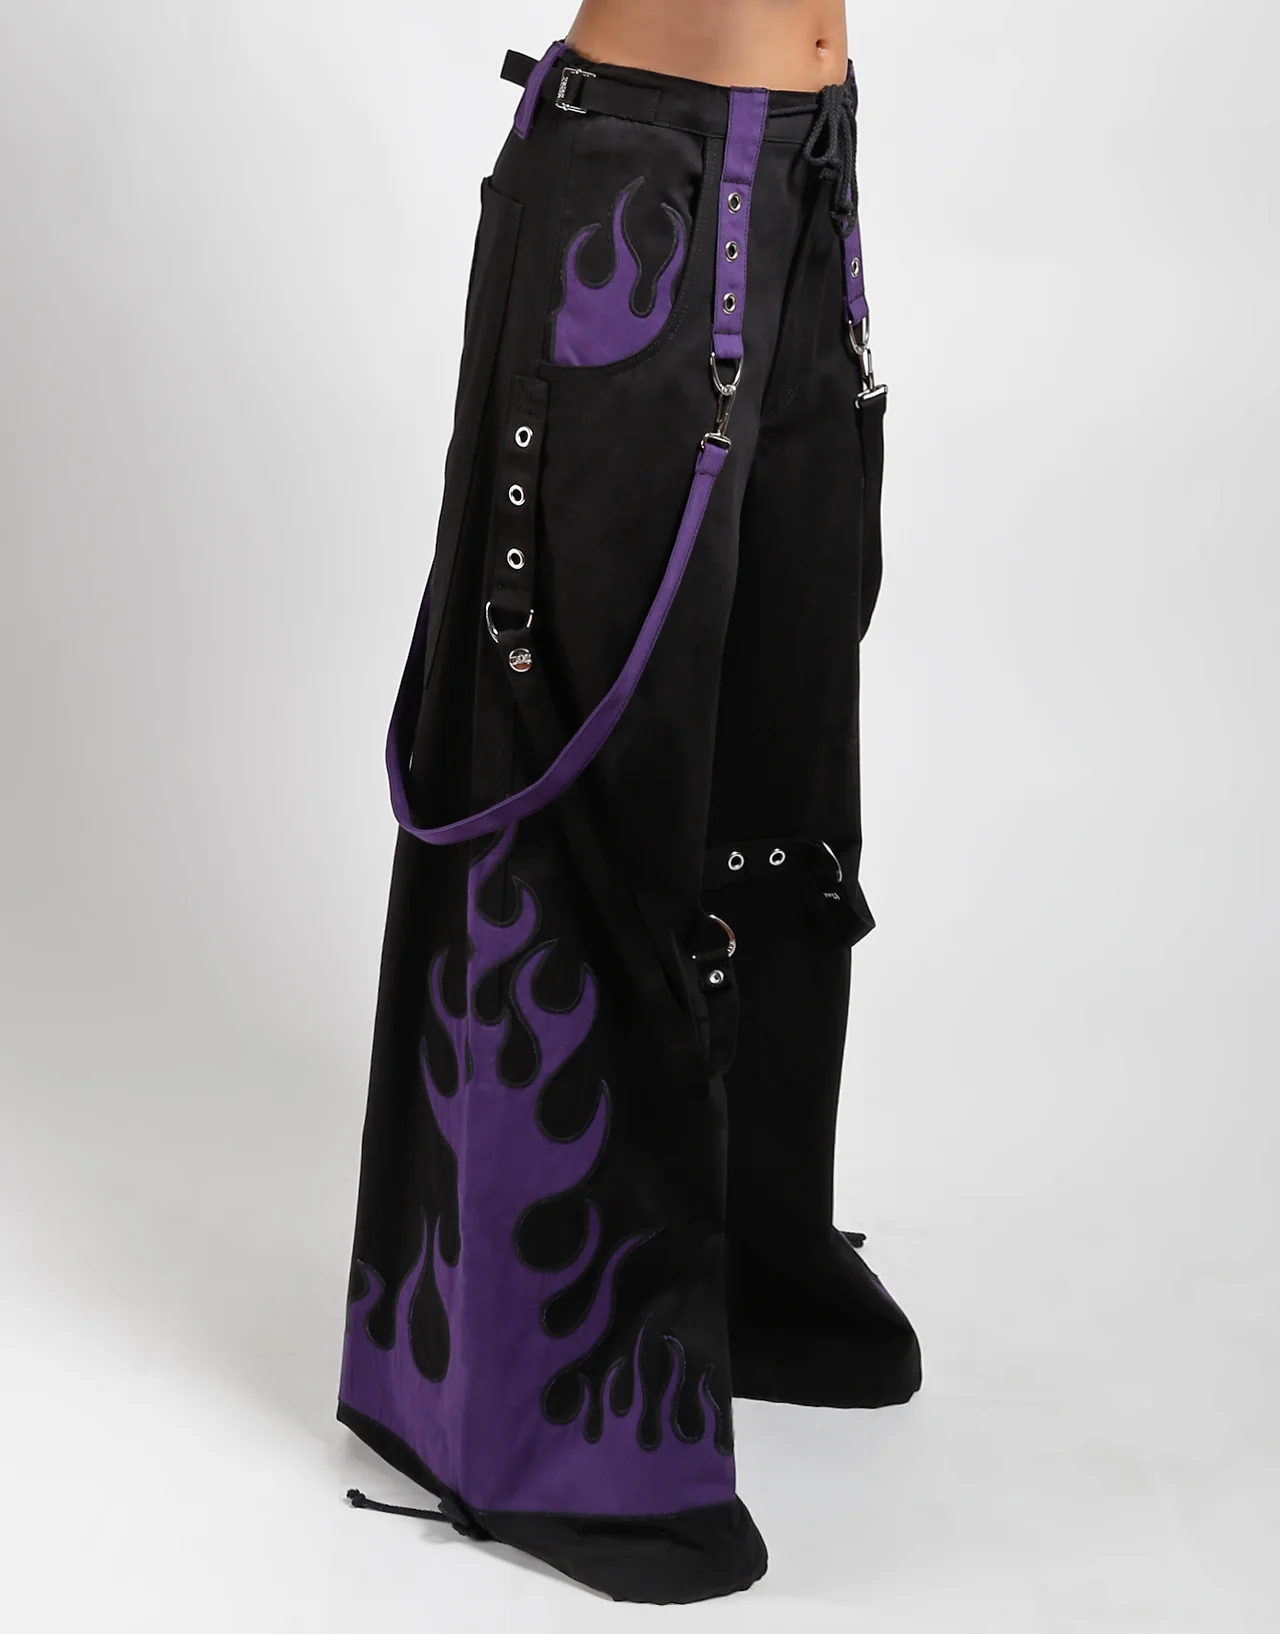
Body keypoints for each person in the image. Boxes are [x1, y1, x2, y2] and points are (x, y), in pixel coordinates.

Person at [338, 0, 921, 1604]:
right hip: (638, 192)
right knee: (583, 779)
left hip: (803, 175)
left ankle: (744, 1260)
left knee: (779, 755)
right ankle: (539, 1407)